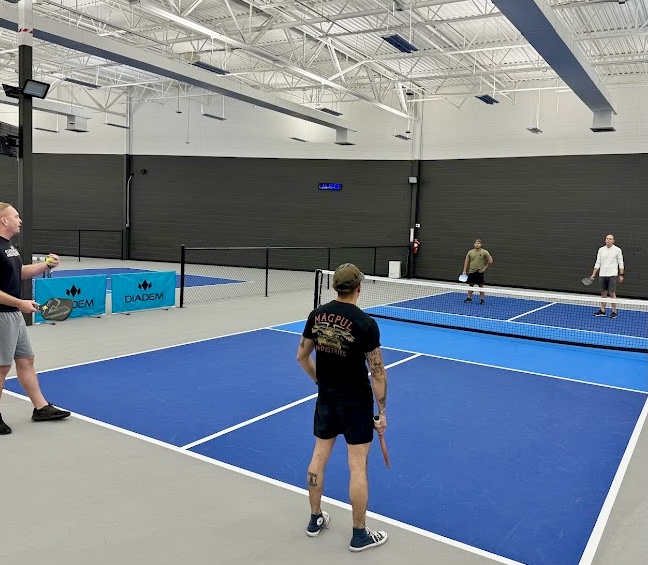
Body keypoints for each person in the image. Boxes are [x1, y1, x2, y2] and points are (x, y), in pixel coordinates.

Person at [296, 263, 388, 553]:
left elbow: (301, 356)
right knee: (357, 466)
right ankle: (359, 535)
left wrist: (320, 382)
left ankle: (315, 519)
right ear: (359, 288)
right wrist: (382, 412)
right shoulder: (366, 324)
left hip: (326, 399)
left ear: (335, 286)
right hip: (356, 403)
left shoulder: (316, 315)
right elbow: (378, 373)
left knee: (318, 457)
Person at [0, 202, 71, 435]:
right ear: (4, 220)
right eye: (16, 216)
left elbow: (19, 273)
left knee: (26, 359)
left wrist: (45, 265)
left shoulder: (10, 246)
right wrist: (20, 303)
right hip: (2, 316)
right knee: (1, 367)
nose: (20, 220)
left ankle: (41, 408)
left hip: (13, 315)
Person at [590, 234, 624, 318]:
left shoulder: (617, 250)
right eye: (607, 238)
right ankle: (602, 310)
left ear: (613, 241)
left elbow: (621, 263)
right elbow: (598, 262)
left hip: (613, 275)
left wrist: (621, 274)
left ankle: (614, 311)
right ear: (605, 240)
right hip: (602, 275)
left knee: (612, 293)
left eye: (610, 239)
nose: (608, 240)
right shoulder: (601, 250)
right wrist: (593, 274)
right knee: (603, 293)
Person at [462, 239, 494, 304]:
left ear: (481, 245)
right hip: (471, 271)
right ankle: (469, 298)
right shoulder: (470, 252)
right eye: (476, 243)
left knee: (480, 286)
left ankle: (482, 299)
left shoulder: (484, 252)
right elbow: (466, 261)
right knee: (471, 285)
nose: (477, 244)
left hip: (479, 272)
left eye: (478, 243)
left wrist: (484, 268)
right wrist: (464, 270)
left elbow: (491, 260)